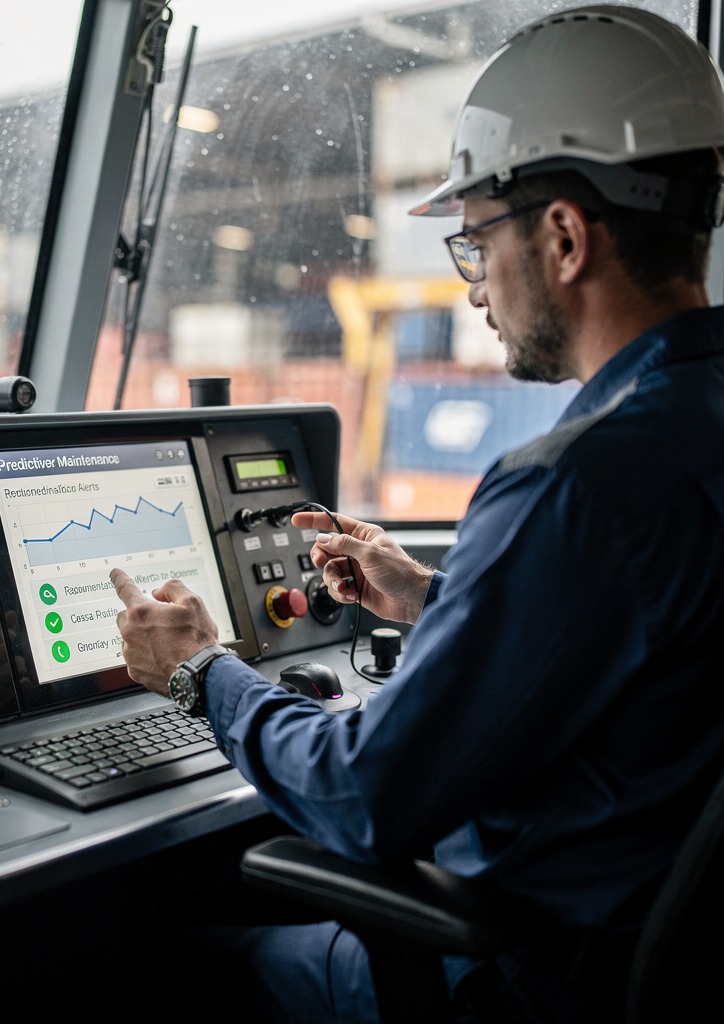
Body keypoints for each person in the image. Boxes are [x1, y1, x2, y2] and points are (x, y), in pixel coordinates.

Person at [111, 7, 724, 1022]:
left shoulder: (572, 485)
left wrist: (199, 671)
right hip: (647, 956)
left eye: (478, 239)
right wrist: (436, 597)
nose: (476, 285)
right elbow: (652, 636)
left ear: (564, 236)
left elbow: (360, 798)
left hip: (522, 980)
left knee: (141, 969)